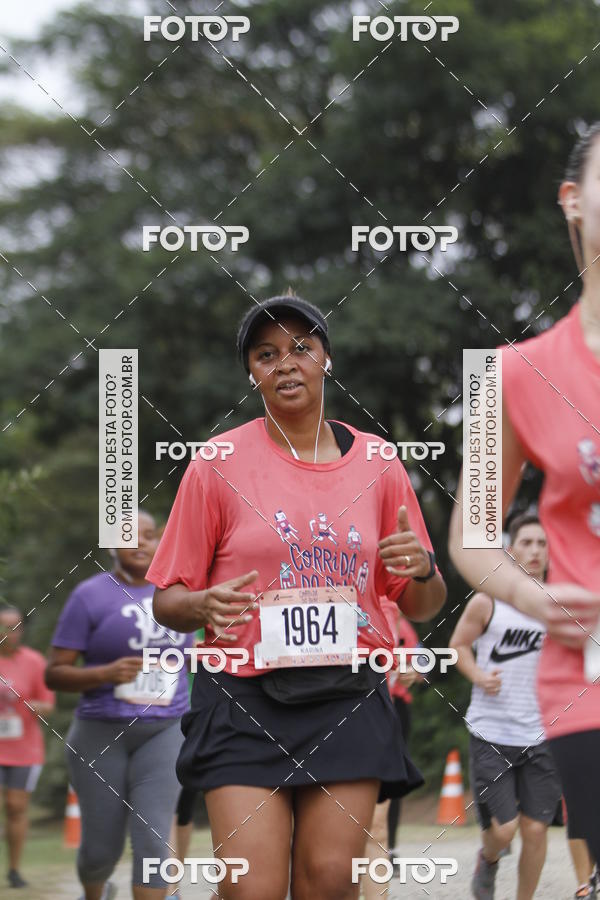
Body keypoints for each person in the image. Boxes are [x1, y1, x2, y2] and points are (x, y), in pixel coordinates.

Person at [147, 293, 447, 899]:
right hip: (242, 695)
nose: (286, 363)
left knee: (331, 880)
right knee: (250, 888)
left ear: (325, 361)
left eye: (301, 348)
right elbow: (167, 598)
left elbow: (420, 602)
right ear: (252, 373)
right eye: (267, 353)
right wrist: (200, 605)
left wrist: (421, 572)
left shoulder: (381, 463)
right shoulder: (217, 462)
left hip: (347, 693)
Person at [448, 123, 600, 863]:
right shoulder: (511, 375)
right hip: (588, 677)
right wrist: (536, 600)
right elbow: (473, 534)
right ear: (573, 201)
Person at [45, 510, 192, 900]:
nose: (143, 543)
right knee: (100, 848)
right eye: (131, 536)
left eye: (150, 535)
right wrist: (104, 674)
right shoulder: (90, 595)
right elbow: (54, 674)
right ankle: (94, 891)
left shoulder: (181, 594)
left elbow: (205, 657)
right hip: (101, 732)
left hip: (165, 729)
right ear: (111, 545)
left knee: (153, 838)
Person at [450, 514, 561, 900]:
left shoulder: (560, 605)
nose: (534, 551)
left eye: (542, 543)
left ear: (550, 552)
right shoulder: (488, 601)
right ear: (510, 550)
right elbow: (458, 647)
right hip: (492, 731)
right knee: (504, 829)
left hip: (543, 733)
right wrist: (479, 675)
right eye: (526, 542)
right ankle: (489, 858)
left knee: (535, 829)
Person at [0, 606, 55, 890]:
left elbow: (47, 703)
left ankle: (14, 870)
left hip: (24, 749)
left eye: (14, 627)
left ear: (21, 630)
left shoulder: (34, 661)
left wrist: (40, 707)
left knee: (16, 807)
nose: (8, 633)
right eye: (3, 626)